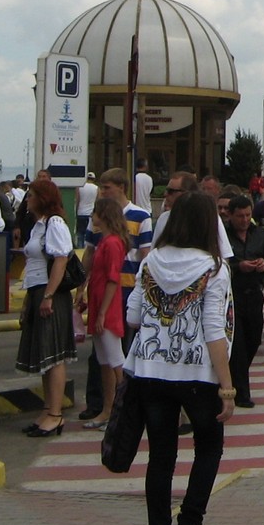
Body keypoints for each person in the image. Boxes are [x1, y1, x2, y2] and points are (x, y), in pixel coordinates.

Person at [126, 191, 234, 525]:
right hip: (198, 375)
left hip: (150, 372)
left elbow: (133, 317)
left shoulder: (150, 262)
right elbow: (214, 330)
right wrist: (227, 388)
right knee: (209, 447)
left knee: (160, 456)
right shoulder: (214, 268)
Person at [78, 167, 155, 422]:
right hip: (104, 295)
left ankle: (121, 407)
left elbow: (144, 257)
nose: (102, 192)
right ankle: (104, 406)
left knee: (118, 353)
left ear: (121, 187)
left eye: (106, 187)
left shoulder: (139, 218)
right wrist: (81, 286)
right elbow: (89, 254)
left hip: (126, 290)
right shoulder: (101, 232)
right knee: (102, 355)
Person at [17, 176, 77, 436]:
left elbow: (61, 260)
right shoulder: (38, 225)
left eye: (31, 195)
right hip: (37, 290)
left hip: (49, 291)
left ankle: (55, 413)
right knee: (45, 356)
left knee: (55, 356)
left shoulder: (55, 224)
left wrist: (49, 295)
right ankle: (48, 409)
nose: (27, 200)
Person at [81, 195, 129, 430]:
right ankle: (108, 409)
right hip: (99, 304)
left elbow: (112, 279)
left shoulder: (112, 243)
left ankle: (122, 410)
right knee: (104, 360)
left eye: (95, 212)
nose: (92, 216)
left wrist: (101, 313)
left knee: (115, 359)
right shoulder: (105, 241)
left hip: (106, 308)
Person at [225, 194, 264, 407]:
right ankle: (241, 393)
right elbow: (217, 262)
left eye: (247, 215)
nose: (244, 220)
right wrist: (238, 267)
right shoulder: (223, 235)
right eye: (240, 216)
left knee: (253, 340)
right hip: (232, 296)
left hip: (254, 294)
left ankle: (236, 377)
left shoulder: (259, 234)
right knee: (238, 347)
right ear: (231, 215)